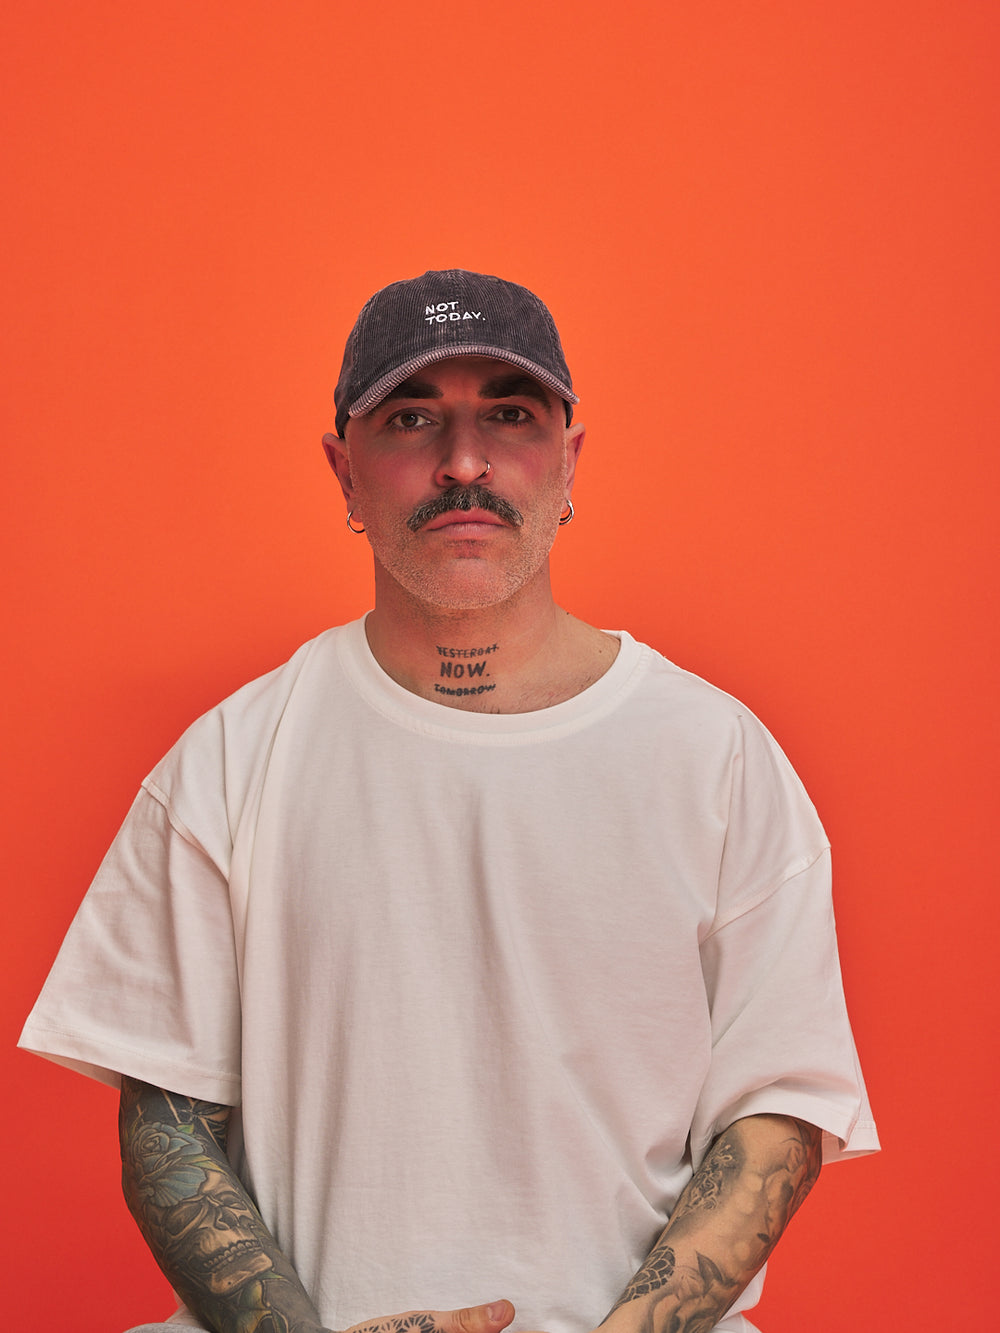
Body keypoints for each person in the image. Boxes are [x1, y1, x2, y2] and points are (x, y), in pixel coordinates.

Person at [19, 269, 878, 1333]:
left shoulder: (718, 757)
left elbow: (775, 1109)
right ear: (344, 471)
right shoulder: (230, 759)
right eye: (412, 417)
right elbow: (168, 1127)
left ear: (569, 460)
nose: (463, 462)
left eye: (509, 416)